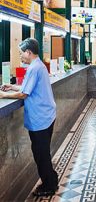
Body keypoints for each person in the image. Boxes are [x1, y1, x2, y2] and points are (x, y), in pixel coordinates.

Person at [0, 38, 58, 196]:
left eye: (21, 53)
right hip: (47, 115)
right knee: (42, 151)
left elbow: (24, 94)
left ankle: (49, 186)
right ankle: (52, 179)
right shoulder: (38, 65)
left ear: (28, 52)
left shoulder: (34, 68)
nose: (20, 56)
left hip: (41, 118)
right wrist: (12, 86)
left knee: (41, 153)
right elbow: (28, 87)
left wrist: (4, 94)